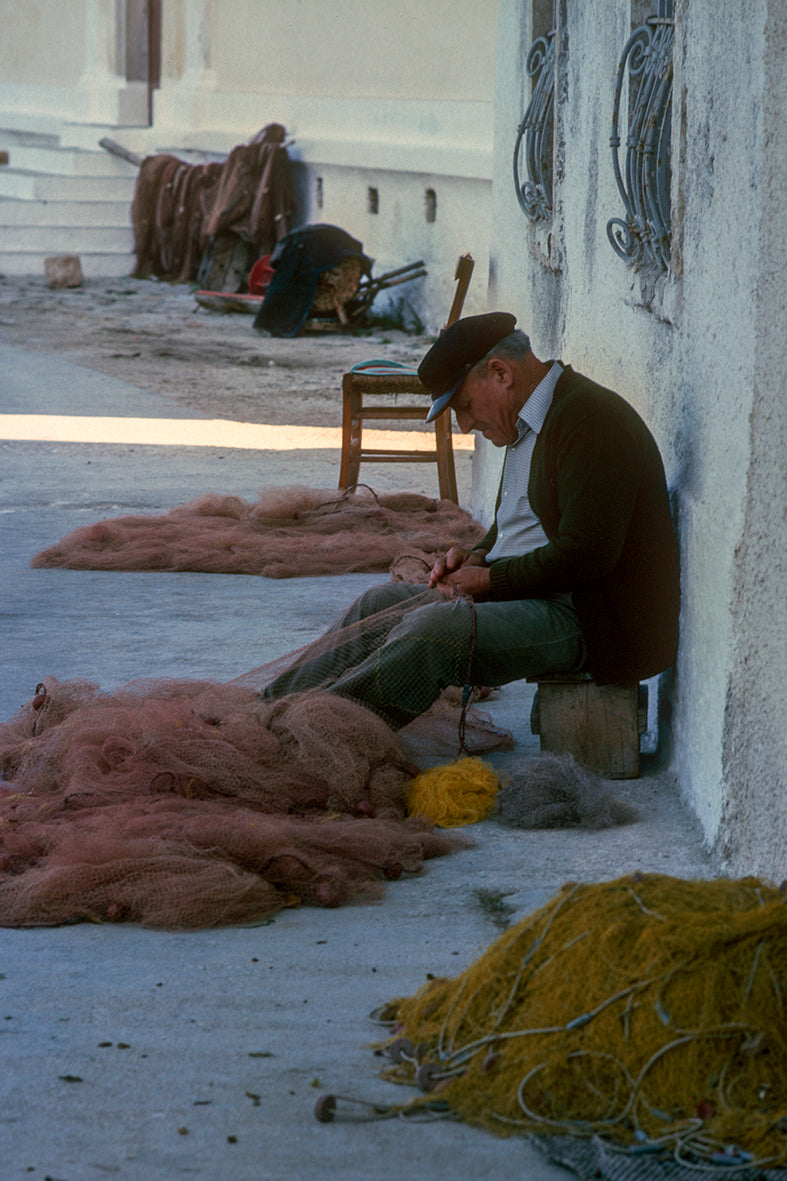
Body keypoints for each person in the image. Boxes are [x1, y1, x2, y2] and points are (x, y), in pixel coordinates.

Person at [261, 312, 680, 729]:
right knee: (378, 605)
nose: (465, 425)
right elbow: (515, 522)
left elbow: (588, 555)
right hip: (538, 592)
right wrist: (478, 555)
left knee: (434, 631)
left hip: (589, 618)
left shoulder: (590, 419)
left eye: (464, 405)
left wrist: (488, 582)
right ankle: (267, 709)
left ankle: (317, 730)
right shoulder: (528, 421)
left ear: (500, 373)